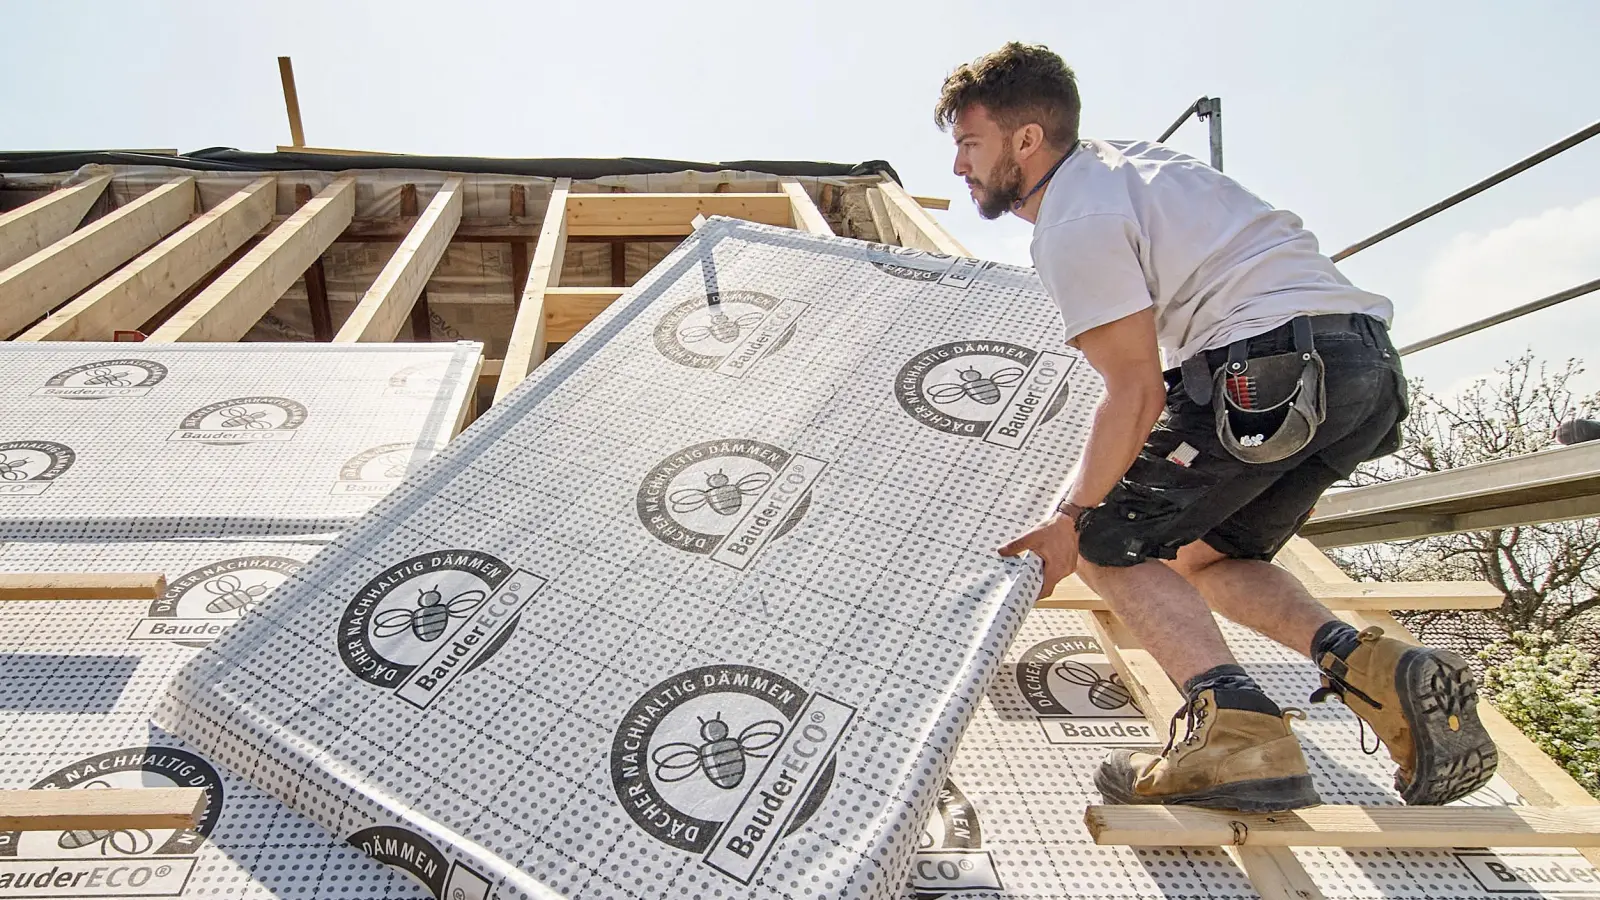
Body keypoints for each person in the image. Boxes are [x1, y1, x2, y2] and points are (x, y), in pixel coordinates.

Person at [938, 42, 1498, 810]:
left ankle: (1233, 736)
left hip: (1264, 368)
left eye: (970, 144)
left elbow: (1133, 391)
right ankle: (1374, 669)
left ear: (1026, 139)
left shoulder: (1075, 217)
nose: (960, 167)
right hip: (1362, 368)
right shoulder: (1126, 165)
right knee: (1208, 557)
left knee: (1108, 540)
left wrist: (1069, 518)